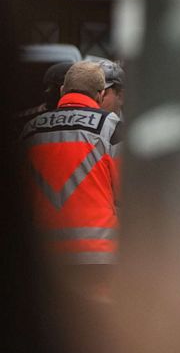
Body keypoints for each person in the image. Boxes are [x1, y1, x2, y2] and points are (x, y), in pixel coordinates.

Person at [20, 61, 121, 299]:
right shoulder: (110, 128)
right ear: (101, 94)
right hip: (97, 255)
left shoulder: (31, 130)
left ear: (63, 91)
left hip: (44, 256)